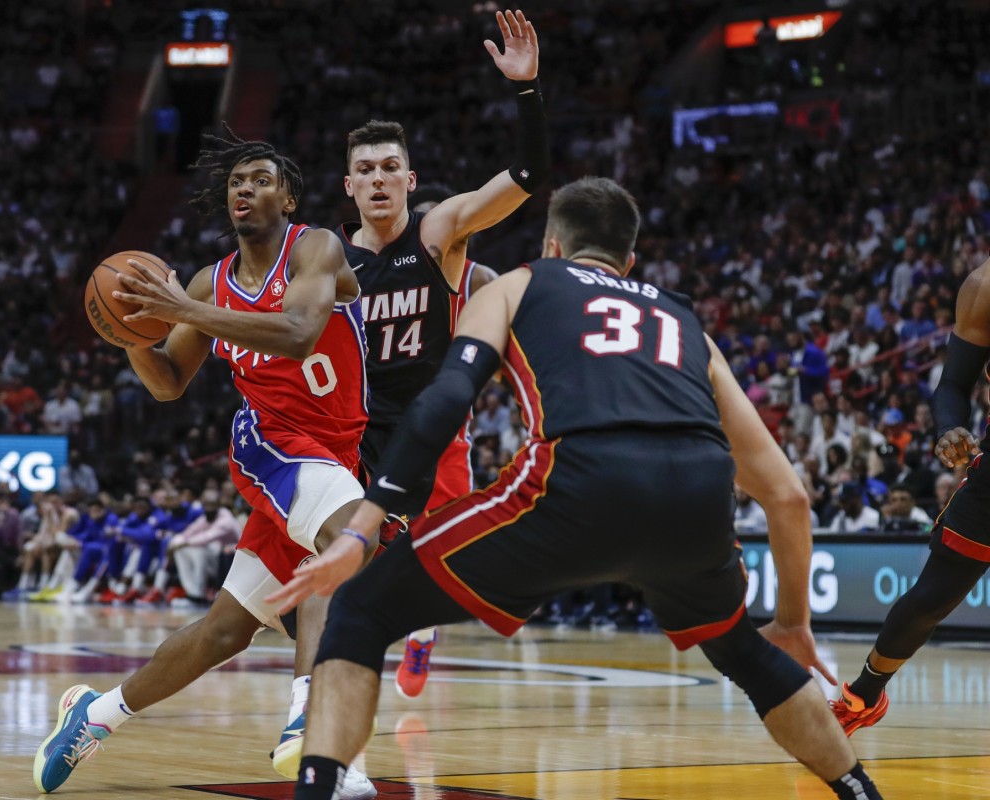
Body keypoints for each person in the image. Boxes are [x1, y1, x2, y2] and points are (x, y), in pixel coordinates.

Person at [269, 176, 883, 800]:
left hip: (577, 484)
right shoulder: (685, 322)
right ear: (630, 261)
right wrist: (793, 621)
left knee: (360, 607)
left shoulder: (519, 283)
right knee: (743, 651)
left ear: (553, 247)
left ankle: (317, 790)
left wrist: (361, 527)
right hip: (695, 503)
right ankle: (862, 791)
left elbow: (444, 400)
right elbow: (787, 496)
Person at [32, 132, 377, 800]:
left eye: (260, 179)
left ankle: (96, 715)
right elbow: (167, 381)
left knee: (225, 630)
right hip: (271, 444)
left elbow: (299, 332)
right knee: (345, 544)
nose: (244, 188)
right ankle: (313, 723)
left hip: (335, 452)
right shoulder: (207, 281)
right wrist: (132, 331)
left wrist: (184, 311)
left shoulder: (315, 249)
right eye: (236, 181)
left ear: (288, 198)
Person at [335, 7, 547, 705]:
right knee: (347, 568)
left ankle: (422, 632)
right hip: (357, 432)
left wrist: (525, 90)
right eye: (365, 170)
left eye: (389, 168)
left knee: (437, 563)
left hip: (433, 430)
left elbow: (528, 175)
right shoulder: (325, 261)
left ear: (409, 177)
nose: (378, 179)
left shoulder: (438, 232)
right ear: (348, 186)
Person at [831, 259, 990, 737]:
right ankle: (865, 695)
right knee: (930, 598)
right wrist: (949, 427)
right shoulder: (983, 287)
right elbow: (955, 384)